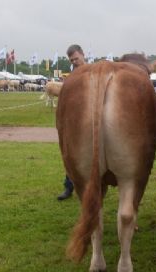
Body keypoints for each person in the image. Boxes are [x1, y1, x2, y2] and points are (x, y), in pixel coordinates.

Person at [57, 44, 86, 201]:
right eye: (72, 60)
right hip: (75, 120)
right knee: (72, 155)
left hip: (90, 119)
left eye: (76, 58)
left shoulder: (92, 71)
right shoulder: (72, 76)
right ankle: (69, 187)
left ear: (82, 54)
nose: (75, 61)